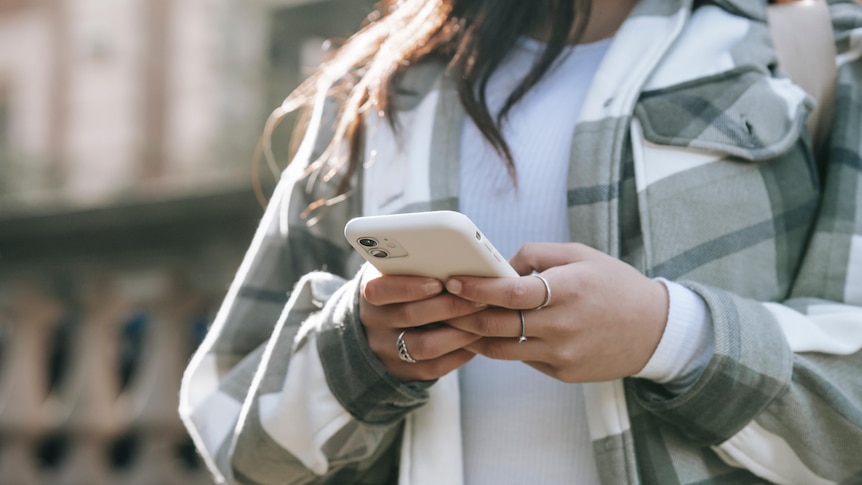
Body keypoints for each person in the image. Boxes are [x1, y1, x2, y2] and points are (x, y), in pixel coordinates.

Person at [179, 0, 862, 483]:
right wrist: (363, 351)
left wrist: (670, 334)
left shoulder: (816, 49)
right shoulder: (374, 93)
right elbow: (235, 438)